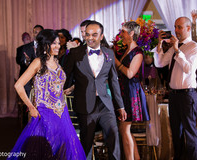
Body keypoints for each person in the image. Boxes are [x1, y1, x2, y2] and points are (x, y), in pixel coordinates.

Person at [8, 29, 86, 160]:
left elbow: (54, 85)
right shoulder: (38, 62)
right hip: (45, 113)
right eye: (54, 43)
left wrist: (69, 89)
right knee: (45, 150)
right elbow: (18, 85)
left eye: (58, 43)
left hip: (62, 113)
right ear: (45, 45)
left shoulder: (56, 61)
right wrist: (31, 107)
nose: (58, 46)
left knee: (62, 149)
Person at [64, 20, 127, 160]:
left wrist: (120, 106)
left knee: (114, 135)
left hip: (105, 103)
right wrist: (59, 90)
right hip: (85, 104)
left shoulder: (109, 53)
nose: (90, 38)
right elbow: (65, 76)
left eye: (94, 34)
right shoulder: (75, 53)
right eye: (87, 34)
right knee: (86, 142)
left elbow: (113, 81)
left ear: (101, 36)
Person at [153, 17, 197, 159]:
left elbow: (188, 69)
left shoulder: (194, 47)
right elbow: (160, 63)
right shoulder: (173, 48)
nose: (176, 30)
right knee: (176, 132)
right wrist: (159, 44)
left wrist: (178, 50)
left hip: (187, 95)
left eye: (179, 27)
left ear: (188, 28)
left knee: (190, 132)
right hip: (173, 95)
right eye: (175, 27)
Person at [114, 21, 150, 160]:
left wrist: (116, 61)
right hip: (124, 91)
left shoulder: (138, 52)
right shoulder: (126, 50)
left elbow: (129, 73)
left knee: (125, 130)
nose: (121, 34)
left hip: (131, 93)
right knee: (125, 130)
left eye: (123, 31)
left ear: (131, 33)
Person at [16, 25, 44, 127]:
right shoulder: (25, 47)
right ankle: (28, 126)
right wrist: (26, 61)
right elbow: (19, 61)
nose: (37, 34)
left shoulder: (46, 46)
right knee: (28, 104)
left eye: (39, 32)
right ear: (33, 33)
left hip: (42, 81)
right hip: (28, 81)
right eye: (35, 32)